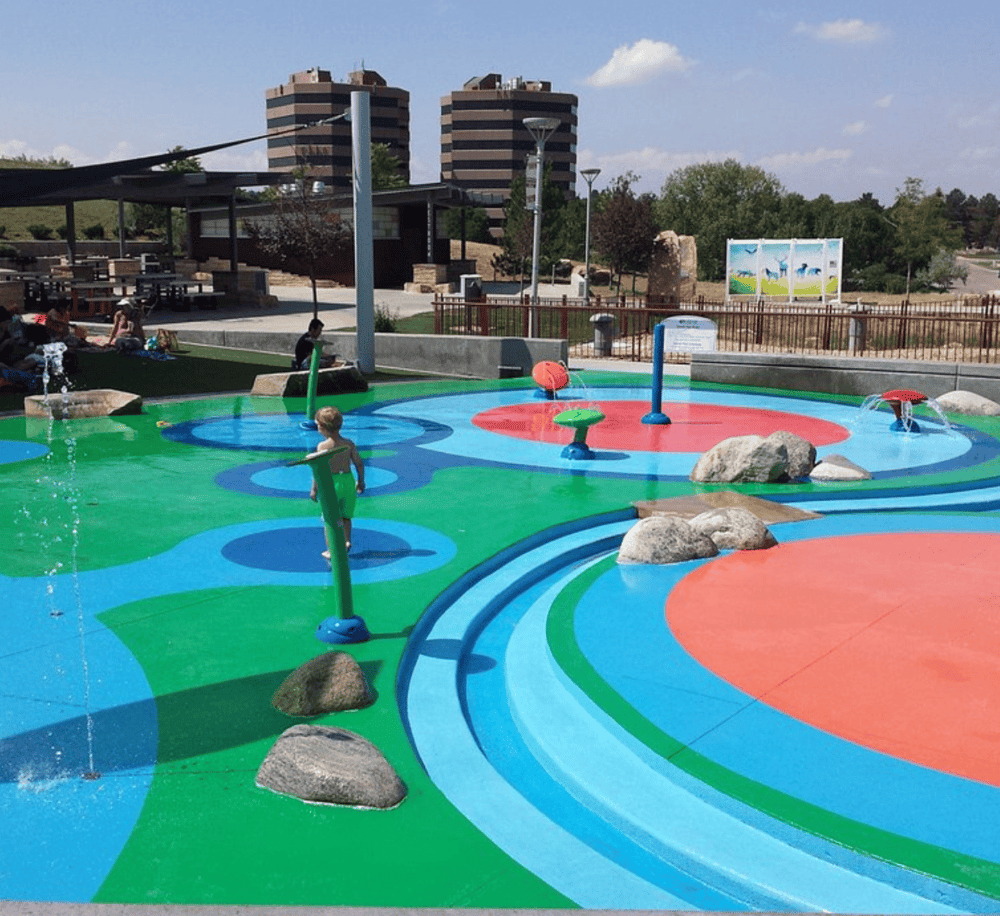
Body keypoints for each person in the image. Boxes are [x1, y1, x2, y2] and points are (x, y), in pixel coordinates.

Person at [309, 405, 365, 558]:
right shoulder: (348, 444)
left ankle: (332, 549)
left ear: (321, 427)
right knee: (346, 516)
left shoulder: (322, 446)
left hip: (331, 484)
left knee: (330, 518)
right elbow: (359, 464)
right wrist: (361, 482)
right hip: (347, 480)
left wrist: (314, 489)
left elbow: (319, 469)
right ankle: (346, 541)